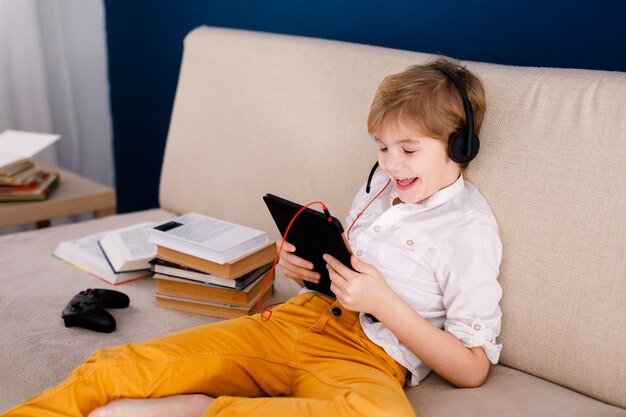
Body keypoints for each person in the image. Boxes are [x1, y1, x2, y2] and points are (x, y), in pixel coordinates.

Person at [1, 57, 502, 417]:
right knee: (118, 367)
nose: (391, 165)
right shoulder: (379, 182)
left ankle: (199, 411)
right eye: (382, 147)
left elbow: (472, 368)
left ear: (460, 146)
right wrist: (305, 269)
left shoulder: (468, 230)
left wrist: (383, 303)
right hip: (294, 322)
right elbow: (345, 269)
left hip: (368, 358)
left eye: (408, 150)